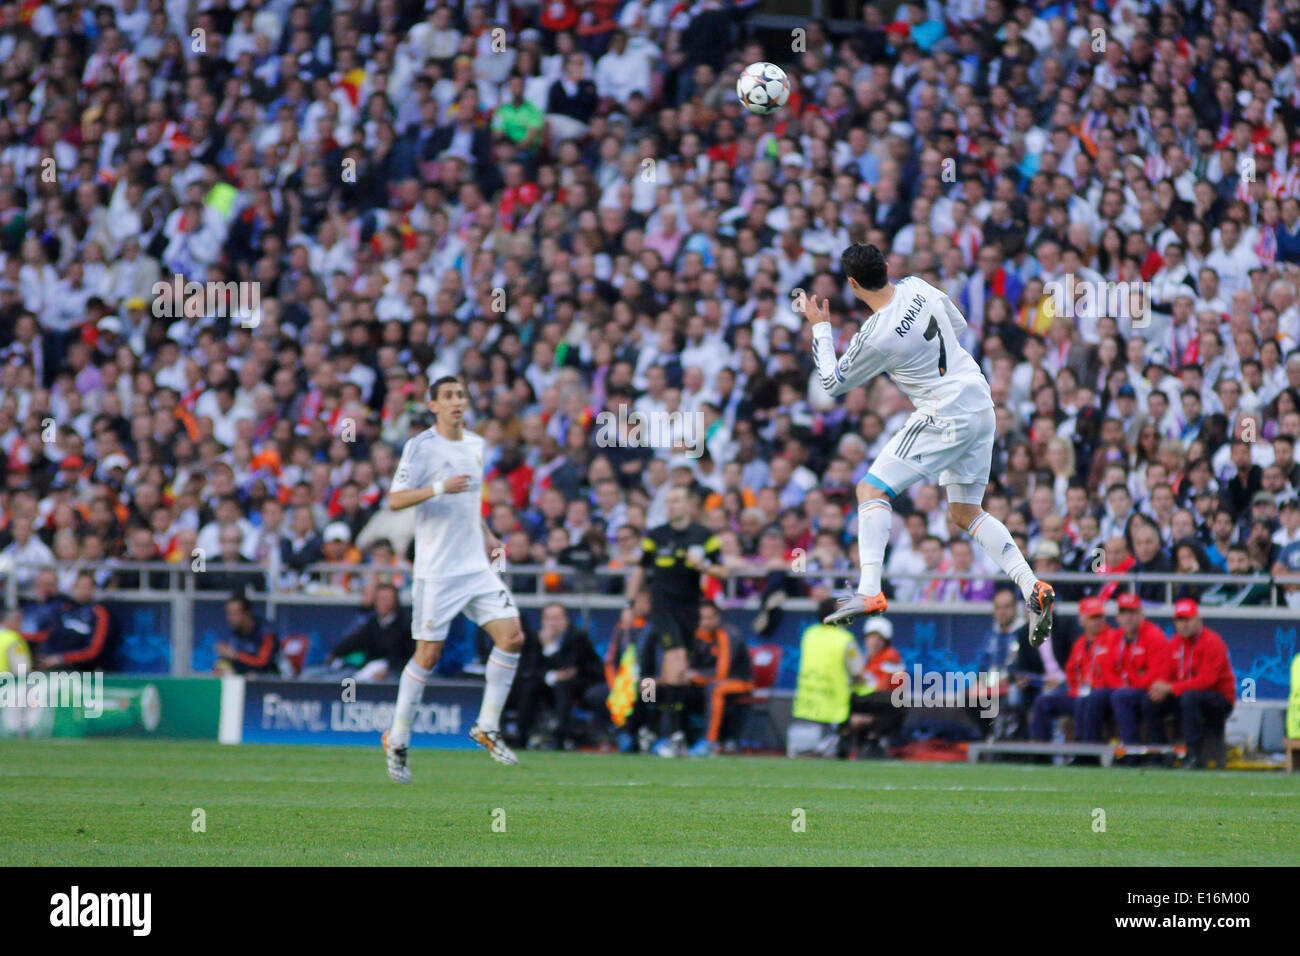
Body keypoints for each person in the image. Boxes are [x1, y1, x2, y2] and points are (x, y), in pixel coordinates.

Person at [808, 243, 1055, 645]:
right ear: (887, 268)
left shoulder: (873, 334)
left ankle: (870, 589)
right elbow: (957, 327)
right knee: (964, 512)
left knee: (871, 489)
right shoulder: (918, 286)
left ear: (852, 285)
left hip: (943, 411)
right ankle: (1032, 586)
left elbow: (832, 384)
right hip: (980, 400)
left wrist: (820, 325)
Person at [383, 375, 527, 780]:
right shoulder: (421, 446)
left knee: (512, 636)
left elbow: (470, 502)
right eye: (447, 396)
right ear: (433, 406)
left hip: (474, 568)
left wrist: (488, 536)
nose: (456, 402)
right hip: (438, 571)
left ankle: (487, 726)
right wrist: (438, 487)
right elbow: (395, 500)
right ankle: (397, 738)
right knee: (427, 655)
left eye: (461, 395)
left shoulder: (476, 445)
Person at [625, 484, 729, 758]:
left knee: (677, 674)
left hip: (690, 608)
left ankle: (655, 728)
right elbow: (639, 569)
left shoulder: (704, 536)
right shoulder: (656, 536)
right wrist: (629, 603)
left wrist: (703, 566)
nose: (672, 505)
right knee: (678, 659)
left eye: (677, 500)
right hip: (663, 607)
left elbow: (724, 570)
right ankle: (672, 734)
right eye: (668, 501)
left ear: (688, 504)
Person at [1147, 599, 1236, 769]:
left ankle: (1193, 754)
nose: (1184, 625)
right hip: (1187, 696)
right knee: (1151, 700)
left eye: (1187, 620)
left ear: (1198, 621)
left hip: (1220, 699)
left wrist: (1171, 688)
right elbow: (1165, 674)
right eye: (1180, 620)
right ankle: (1157, 753)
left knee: (1189, 698)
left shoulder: (1212, 642)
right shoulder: (1174, 642)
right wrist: (1159, 687)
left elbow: (1207, 681)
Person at [513, 602, 605, 750]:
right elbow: (531, 667)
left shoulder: (577, 637)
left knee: (563, 686)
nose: (552, 623)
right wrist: (551, 676)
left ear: (566, 620)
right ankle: (521, 736)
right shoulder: (536, 638)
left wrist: (550, 647)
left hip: (581, 685)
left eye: (556, 618)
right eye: (548, 619)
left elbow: (571, 669)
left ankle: (561, 738)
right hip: (549, 685)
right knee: (529, 686)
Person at [1029, 597, 1115, 742]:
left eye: (1100, 616)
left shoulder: (1114, 638)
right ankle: (1040, 752)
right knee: (1043, 702)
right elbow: (1071, 672)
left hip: (1104, 693)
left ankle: (1086, 751)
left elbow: (1115, 672)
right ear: (1082, 620)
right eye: (1093, 617)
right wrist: (1076, 687)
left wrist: (1093, 683)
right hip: (1080, 693)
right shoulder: (1080, 643)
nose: (1097, 621)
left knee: (1089, 701)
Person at [790, 597, 863, 756]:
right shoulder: (844, 639)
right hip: (835, 701)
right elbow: (857, 673)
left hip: (808, 701)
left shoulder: (809, 634)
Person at [1103, 595, 1174, 752]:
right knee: (1095, 698)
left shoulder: (1153, 636)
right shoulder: (1116, 637)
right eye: (1123, 612)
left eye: (1132, 612)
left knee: (1121, 697)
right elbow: (1107, 669)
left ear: (1141, 615)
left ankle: (1132, 749)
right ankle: (1088, 752)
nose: (1128, 617)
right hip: (1124, 688)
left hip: (1147, 689)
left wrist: (1129, 687)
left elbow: (1156, 673)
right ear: (1117, 617)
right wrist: (1121, 686)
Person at [684, 600, 753, 757]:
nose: (706, 623)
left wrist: (695, 676)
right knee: (677, 689)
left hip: (740, 682)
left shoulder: (728, 634)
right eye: (702, 618)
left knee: (715, 689)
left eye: (710, 618)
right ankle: (675, 738)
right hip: (709, 682)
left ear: (718, 617)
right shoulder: (697, 636)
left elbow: (723, 672)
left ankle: (710, 742)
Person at [325, 582, 411, 682]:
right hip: (370, 667)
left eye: (387, 599)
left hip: (396, 672)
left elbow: (409, 656)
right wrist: (334, 653)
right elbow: (354, 641)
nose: (384, 603)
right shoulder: (372, 623)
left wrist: (390, 669)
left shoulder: (405, 624)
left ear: (395, 601)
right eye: (380, 599)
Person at [846, 616, 906, 757]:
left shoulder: (890, 656)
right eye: (871, 638)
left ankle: (873, 738)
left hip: (882, 705)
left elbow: (883, 688)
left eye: (879, 639)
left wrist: (866, 718)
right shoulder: (864, 657)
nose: (874, 643)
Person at [29, 571, 112, 671]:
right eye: (80, 586)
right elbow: (49, 635)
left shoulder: (98, 612)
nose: (83, 590)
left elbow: (94, 650)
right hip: (52, 660)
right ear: (74, 588)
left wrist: (62, 658)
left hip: (78, 667)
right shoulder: (64, 609)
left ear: (93, 590)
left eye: (87, 587)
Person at [215, 592, 278, 676]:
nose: (230, 618)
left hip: (268, 679)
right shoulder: (234, 634)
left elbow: (263, 662)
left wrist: (236, 656)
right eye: (229, 614)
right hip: (243, 679)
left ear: (247, 613)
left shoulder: (266, 632)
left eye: (234, 614)